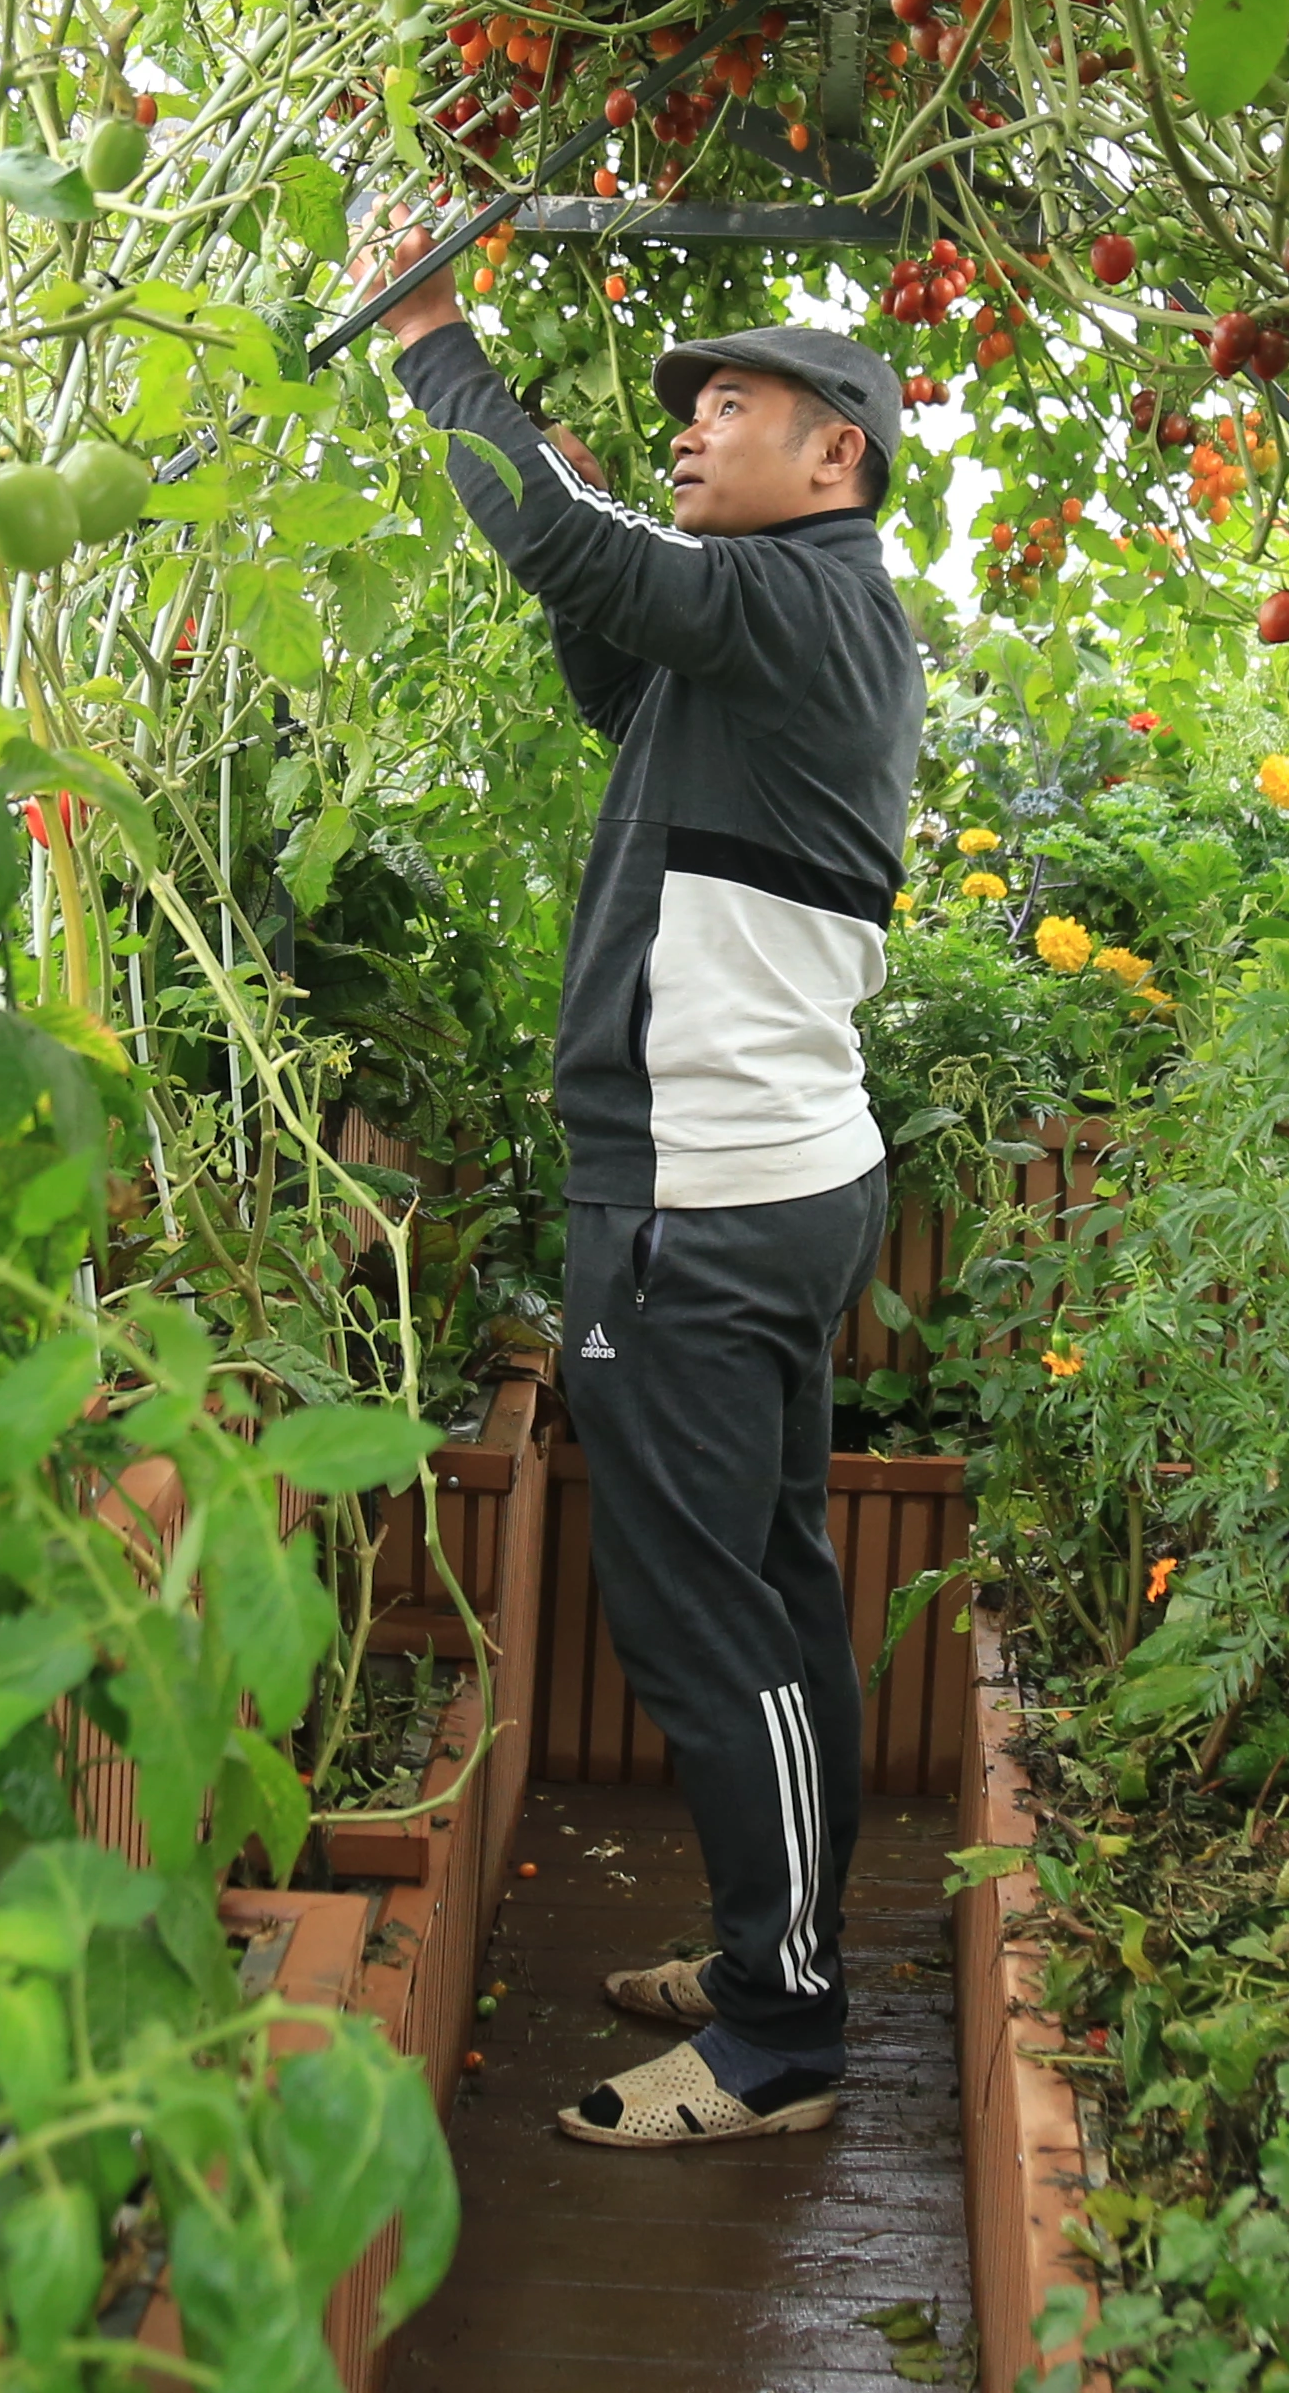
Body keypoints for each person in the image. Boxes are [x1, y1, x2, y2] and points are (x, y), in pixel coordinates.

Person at [375, 241, 925, 2148]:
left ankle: (782, 2031)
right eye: (692, 405)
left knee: (711, 1619)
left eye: (735, 406)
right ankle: (779, 1948)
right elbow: (607, 632)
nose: (698, 422)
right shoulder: (778, 636)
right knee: (765, 1594)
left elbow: (593, 562)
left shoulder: (803, 604)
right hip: (751, 1174)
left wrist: (437, 353)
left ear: (833, 456)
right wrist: (552, 456)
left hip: (705, 1193)